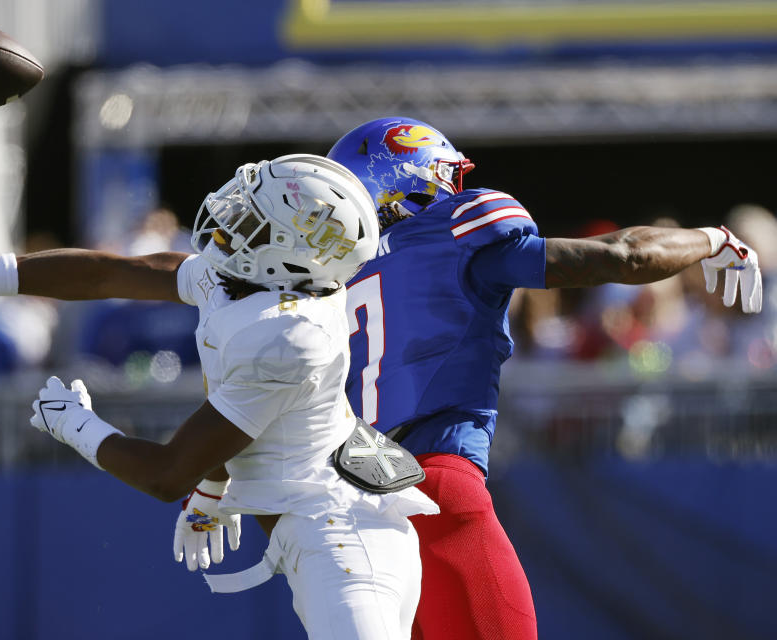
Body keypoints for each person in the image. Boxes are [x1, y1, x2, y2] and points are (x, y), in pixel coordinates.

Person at [0, 154, 439, 640]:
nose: (231, 213)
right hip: (323, 527)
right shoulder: (254, 280)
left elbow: (168, 473)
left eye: (255, 218)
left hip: (343, 544)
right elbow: (113, 275)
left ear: (290, 255)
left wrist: (78, 426)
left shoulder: (290, 333)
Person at [324, 116, 764, 640]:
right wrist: (712, 238)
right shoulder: (458, 233)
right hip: (439, 485)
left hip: (355, 514)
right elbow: (625, 255)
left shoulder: (327, 280)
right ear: (410, 177)